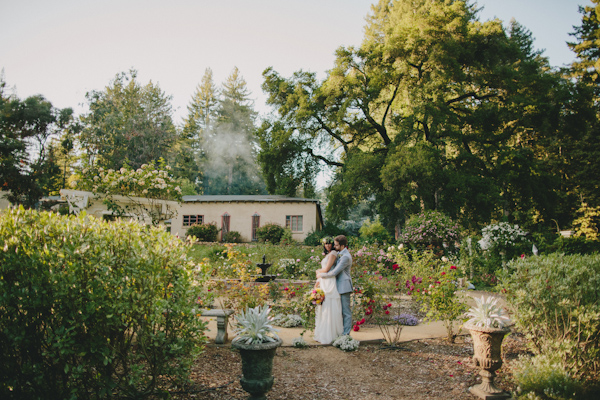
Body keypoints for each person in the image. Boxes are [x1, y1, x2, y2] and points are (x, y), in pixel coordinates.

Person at [317, 235, 353, 335]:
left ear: (342, 246)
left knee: (346, 312)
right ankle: (340, 331)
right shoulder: (341, 254)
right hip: (337, 285)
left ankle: (346, 334)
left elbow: (334, 272)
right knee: (339, 310)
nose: (334, 247)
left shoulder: (345, 257)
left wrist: (320, 275)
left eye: (336, 245)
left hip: (344, 286)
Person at [313, 237, 344, 344]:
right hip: (324, 280)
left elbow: (326, 269)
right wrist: (319, 280)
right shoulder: (328, 254)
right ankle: (322, 333)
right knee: (323, 307)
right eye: (326, 244)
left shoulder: (334, 254)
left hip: (330, 281)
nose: (328, 246)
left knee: (329, 306)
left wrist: (318, 271)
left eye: (330, 244)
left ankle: (331, 335)